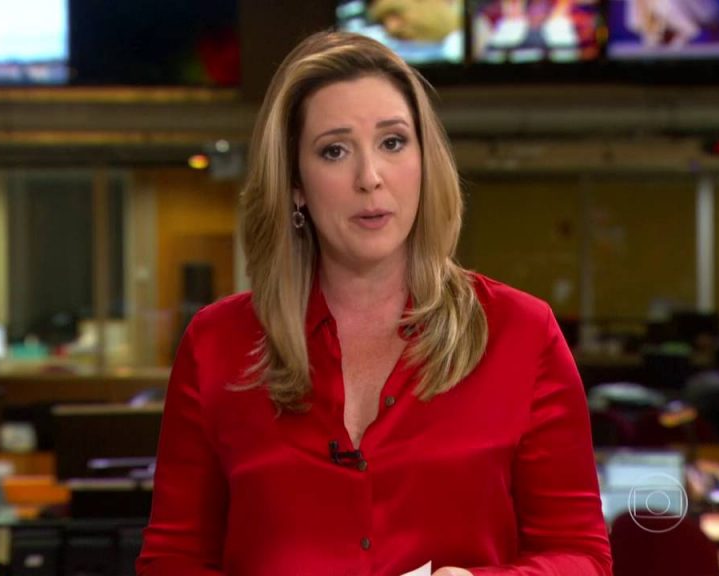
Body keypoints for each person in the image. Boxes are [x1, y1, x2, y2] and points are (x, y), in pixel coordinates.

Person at [137, 31, 611, 576]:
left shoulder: (521, 332)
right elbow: (171, 560)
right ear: (295, 184)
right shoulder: (217, 344)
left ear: (425, 161)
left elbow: (583, 556)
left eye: (393, 142)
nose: (370, 178)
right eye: (334, 151)